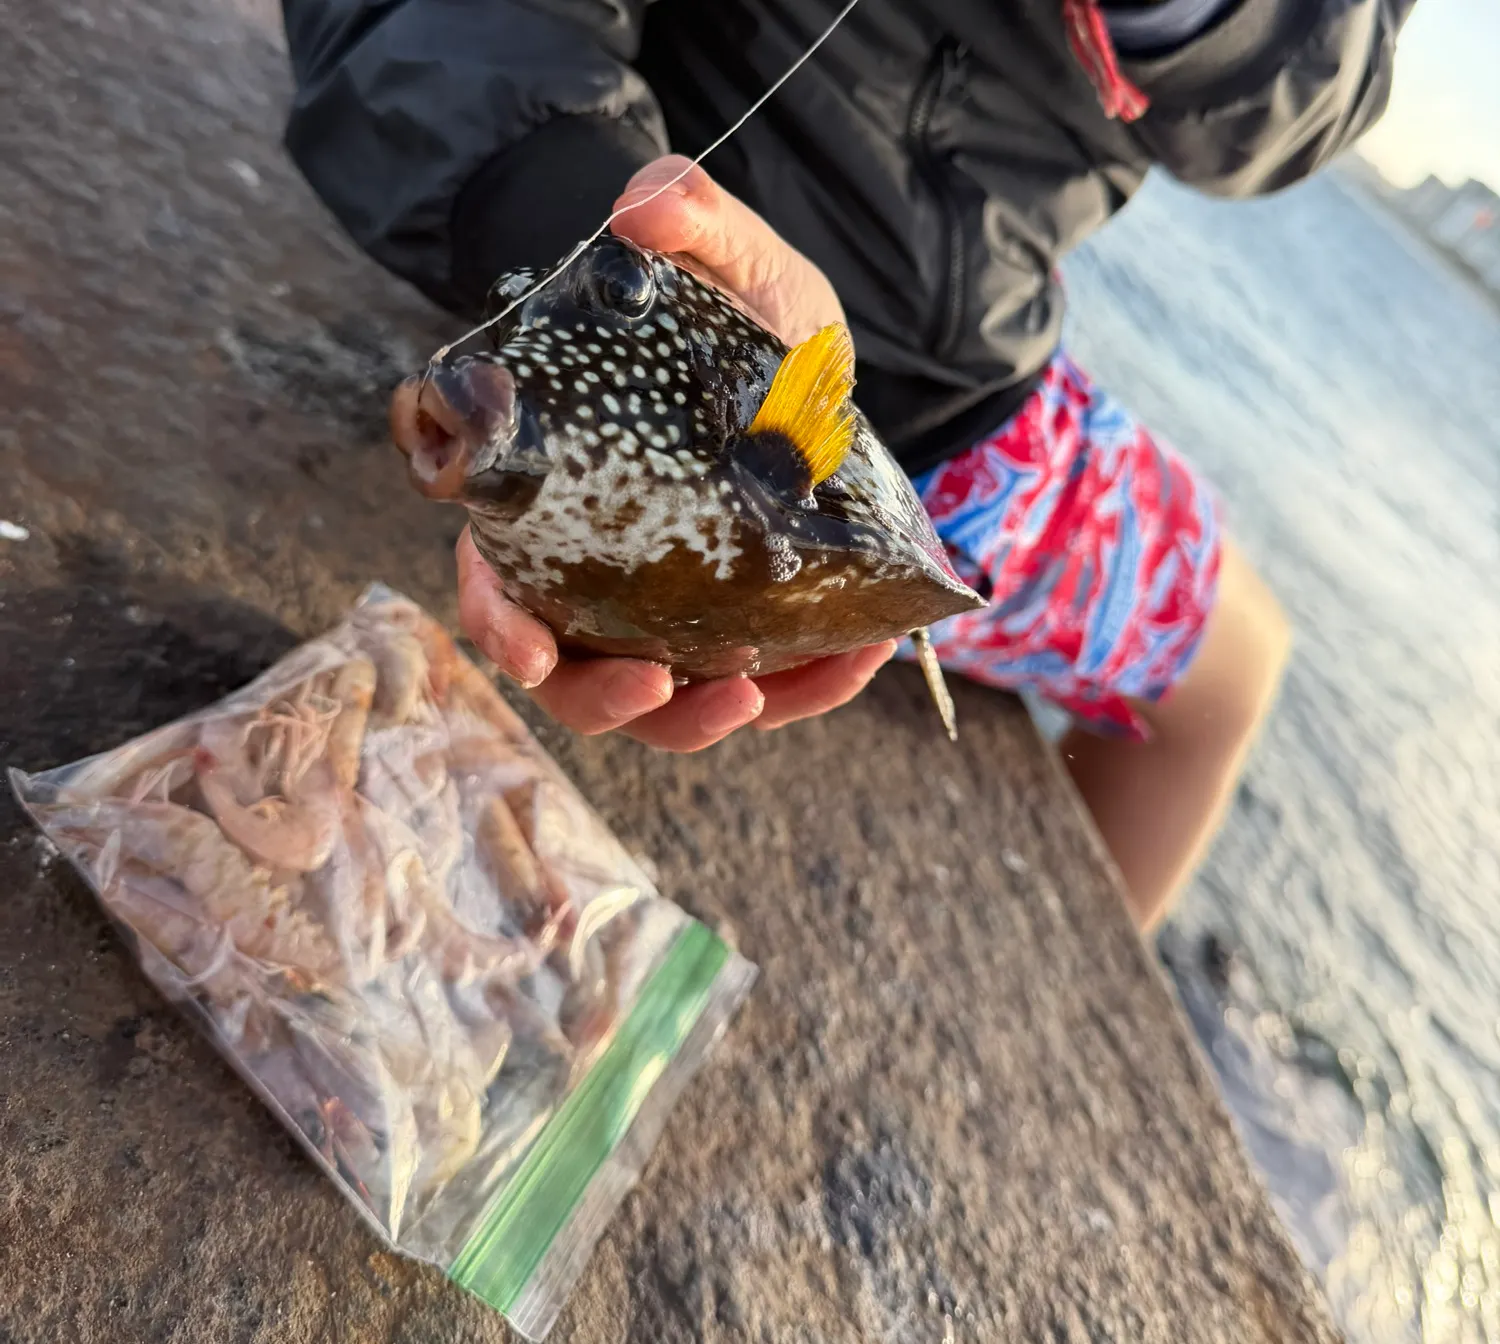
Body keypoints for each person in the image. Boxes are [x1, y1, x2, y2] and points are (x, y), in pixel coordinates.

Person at [278, 0, 1413, 930]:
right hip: (764, 289)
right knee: (1233, 675)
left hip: (921, 372)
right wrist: (569, 212)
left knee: (1245, 666)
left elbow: (1301, 96)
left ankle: (1045, 1011)